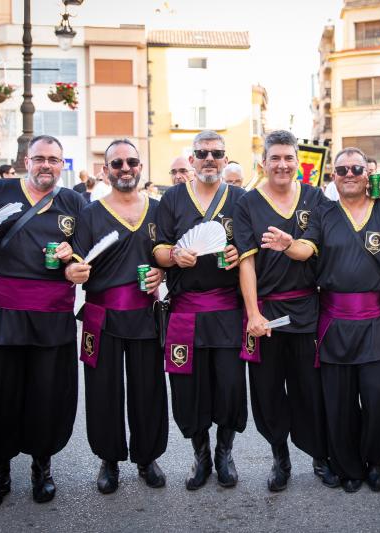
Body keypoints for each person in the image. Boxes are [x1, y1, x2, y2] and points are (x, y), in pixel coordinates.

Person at [262, 147, 380, 493]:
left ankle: (376, 460)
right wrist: (289, 244)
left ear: (369, 173)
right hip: (333, 320)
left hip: (375, 319)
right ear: (332, 177)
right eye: (341, 170)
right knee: (339, 399)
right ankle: (348, 465)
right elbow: (307, 248)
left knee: (377, 395)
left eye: (355, 168)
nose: (348, 174)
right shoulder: (324, 212)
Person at [0, 134, 85, 511]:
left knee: (48, 393)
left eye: (54, 160)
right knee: (1, 394)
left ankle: (42, 467)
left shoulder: (74, 202)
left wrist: (72, 256)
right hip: (4, 314)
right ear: (27, 161)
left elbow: (87, 254)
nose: (46, 165)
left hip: (53, 315)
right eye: (40, 158)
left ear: (62, 165)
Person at [233, 130, 339, 492]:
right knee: (268, 391)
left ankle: (319, 455)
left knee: (310, 388)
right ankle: (280, 456)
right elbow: (245, 263)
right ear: (263, 163)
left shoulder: (314, 197)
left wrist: (291, 245)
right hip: (266, 313)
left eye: (288, 158)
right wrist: (252, 315)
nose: (281, 164)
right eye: (274, 158)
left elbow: (314, 247)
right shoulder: (247, 204)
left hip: (306, 309)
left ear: (298, 162)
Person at [65, 139, 169, 494]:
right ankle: (108, 460)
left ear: (140, 167)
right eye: (117, 163)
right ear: (106, 170)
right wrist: (73, 271)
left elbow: (173, 255)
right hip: (102, 316)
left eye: (132, 162)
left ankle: (147, 457)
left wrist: (164, 274)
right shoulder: (89, 214)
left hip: (145, 314)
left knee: (148, 390)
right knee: (103, 392)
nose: (126, 169)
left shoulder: (159, 210)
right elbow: (76, 261)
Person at [153, 130, 244, 490]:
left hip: (226, 309)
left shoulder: (239, 199)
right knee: (189, 389)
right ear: (191, 160)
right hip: (186, 311)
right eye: (202, 153)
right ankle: (201, 455)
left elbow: (252, 252)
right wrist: (174, 254)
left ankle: (225, 453)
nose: (209, 159)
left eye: (216, 153)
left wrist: (238, 255)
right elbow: (158, 249)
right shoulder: (172, 198)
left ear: (225, 158)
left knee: (230, 386)